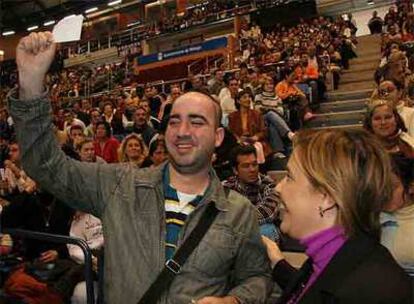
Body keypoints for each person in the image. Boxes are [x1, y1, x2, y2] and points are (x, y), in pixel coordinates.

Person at [9, 32, 271, 304]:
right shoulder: (119, 184)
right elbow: (45, 165)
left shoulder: (238, 212)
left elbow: (257, 278)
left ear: (218, 137)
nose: (182, 131)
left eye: (196, 122)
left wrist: (235, 301)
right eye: (174, 121)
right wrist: (30, 84)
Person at [261, 129, 412, 303]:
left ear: (326, 197)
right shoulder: (333, 256)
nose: (278, 188)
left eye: (289, 177)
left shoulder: (375, 288)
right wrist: (278, 263)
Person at [222, 145, 280, 241]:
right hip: (234, 233)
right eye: (246, 166)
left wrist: (235, 218)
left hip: (260, 232)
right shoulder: (226, 187)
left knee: (266, 229)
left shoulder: (269, 185)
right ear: (235, 170)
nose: (252, 169)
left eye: (254, 164)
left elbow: (268, 213)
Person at [381, 155, 414, 276]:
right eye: (379, 186)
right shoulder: (370, 218)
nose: (384, 193)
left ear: (411, 187)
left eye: (392, 187)